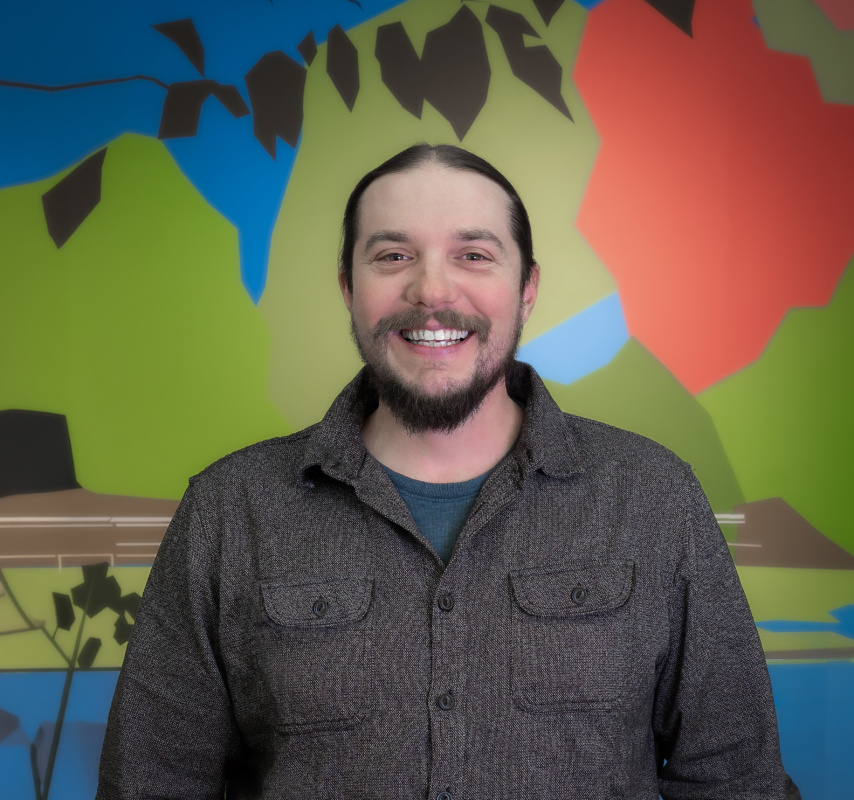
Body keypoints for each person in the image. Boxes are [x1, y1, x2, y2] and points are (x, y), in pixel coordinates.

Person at [97, 144, 788, 799]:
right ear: (347, 287)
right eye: (393, 255)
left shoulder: (654, 497)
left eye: (474, 255)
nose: (431, 289)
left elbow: (736, 781)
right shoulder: (228, 510)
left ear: (527, 289)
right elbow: (150, 783)